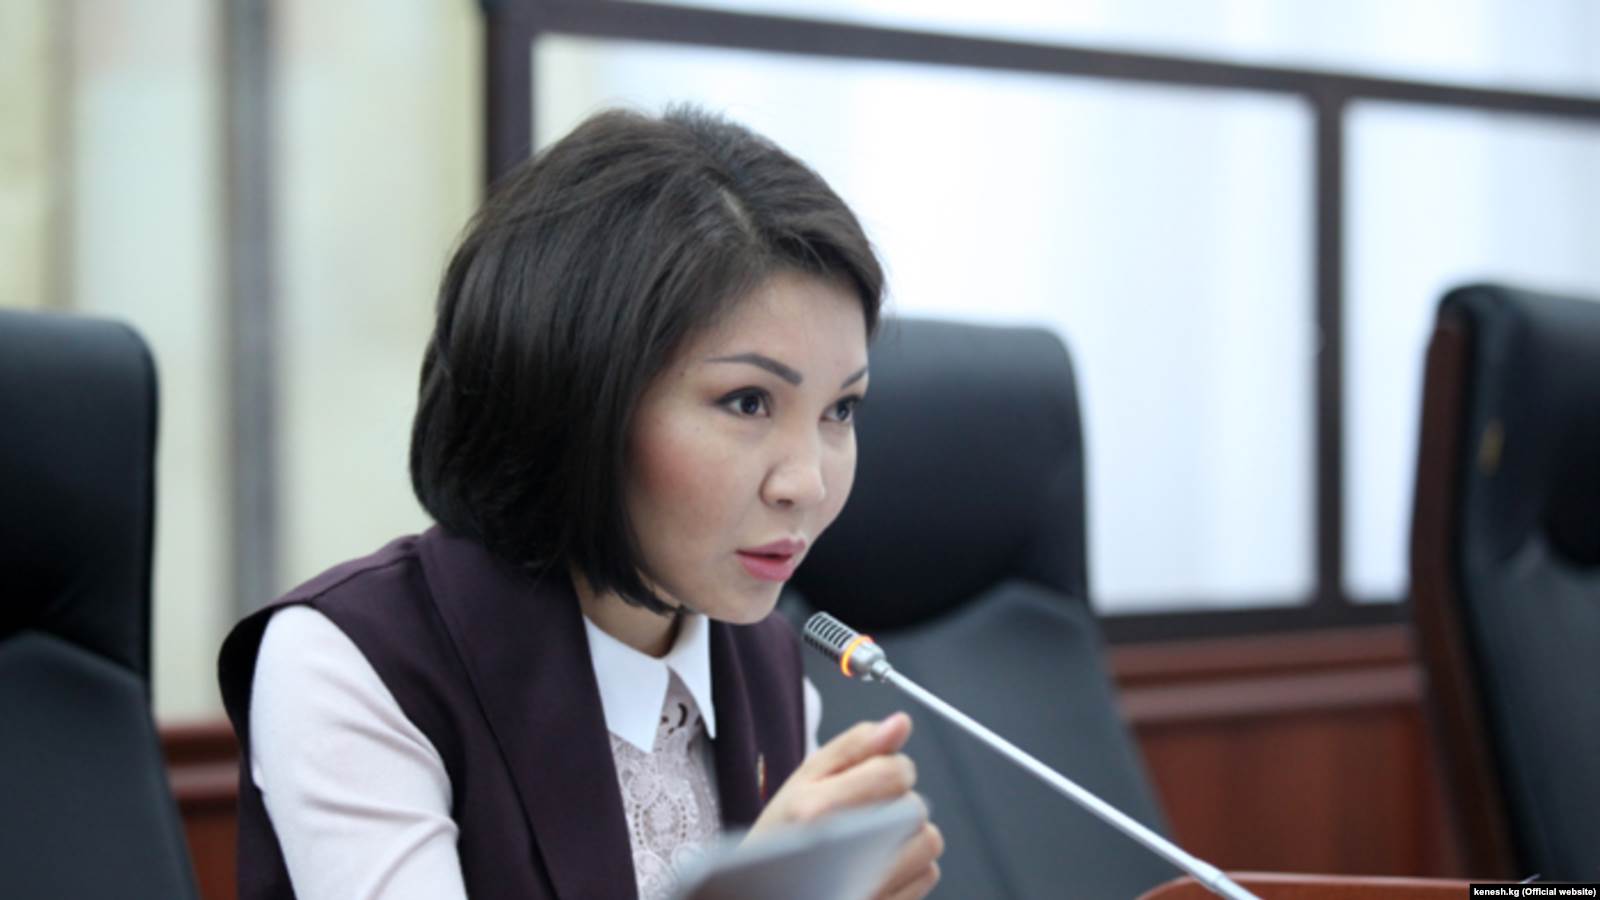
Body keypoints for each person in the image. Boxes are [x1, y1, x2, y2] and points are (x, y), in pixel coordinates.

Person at [218, 106, 944, 900]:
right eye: (747, 402)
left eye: (841, 410)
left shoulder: (767, 667)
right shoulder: (353, 662)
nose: (806, 482)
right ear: (575, 396)